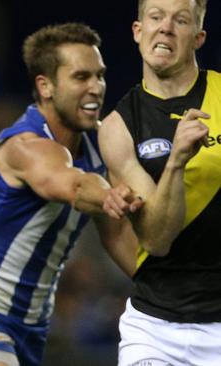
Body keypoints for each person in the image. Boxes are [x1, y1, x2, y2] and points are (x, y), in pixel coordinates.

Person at [0, 23, 142, 366]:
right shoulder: (24, 146)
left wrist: (170, 289)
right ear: (45, 86)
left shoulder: (101, 144)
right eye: (81, 77)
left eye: (99, 76)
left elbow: (117, 237)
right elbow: (70, 184)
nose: (96, 88)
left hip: (33, 326)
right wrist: (111, 196)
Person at [97, 0, 221, 364]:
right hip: (155, 328)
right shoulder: (118, 127)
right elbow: (156, 239)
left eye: (180, 20)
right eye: (155, 17)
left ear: (198, 38)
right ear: (138, 31)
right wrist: (177, 161)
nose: (165, 27)